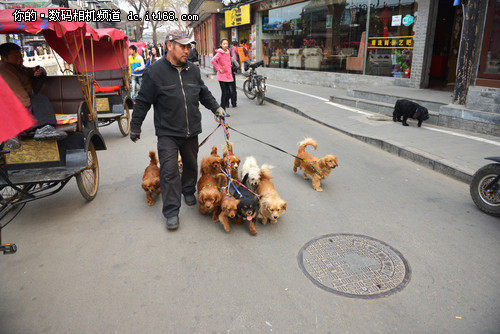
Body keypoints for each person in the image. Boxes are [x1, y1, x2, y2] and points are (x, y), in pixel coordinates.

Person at [130, 29, 225, 231]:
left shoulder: (193, 70)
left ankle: (189, 190)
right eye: (183, 46)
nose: (187, 50)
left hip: (191, 130)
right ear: (169, 45)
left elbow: (204, 93)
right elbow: (143, 102)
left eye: (189, 46)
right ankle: (172, 211)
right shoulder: (154, 72)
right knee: (170, 171)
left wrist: (216, 108)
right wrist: (135, 126)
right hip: (167, 133)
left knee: (191, 165)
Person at [0, 42, 67, 149]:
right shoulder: (4, 68)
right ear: (4, 58)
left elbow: (28, 71)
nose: (20, 59)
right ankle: (42, 128)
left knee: (38, 99)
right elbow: (17, 94)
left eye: (20, 56)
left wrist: (38, 72)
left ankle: (15, 134)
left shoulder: (16, 68)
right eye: (16, 57)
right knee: (39, 100)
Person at [211, 38, 233, 114]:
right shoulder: (220, 53)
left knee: (230, 93)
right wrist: (219, 69)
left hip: (228, 75)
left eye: (226, 44)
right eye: (224, 44)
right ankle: (222, 110)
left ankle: (221, 106)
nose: (225, 45)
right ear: (221, 45)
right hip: (222, 76)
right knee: (224, 93)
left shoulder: (228, 51)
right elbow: (213, 60)